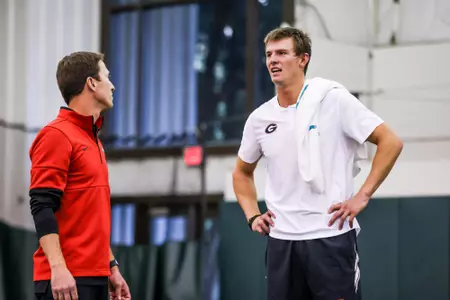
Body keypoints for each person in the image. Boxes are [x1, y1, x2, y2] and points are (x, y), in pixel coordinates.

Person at [232, 27, 403, 300]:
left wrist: (363, 195)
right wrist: (252, 215)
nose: (273, 60)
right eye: (268, 55)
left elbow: (390, 142)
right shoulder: (259, 119)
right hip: (282, 242)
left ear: (303, 59)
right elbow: (241, 173)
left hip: (330, 237)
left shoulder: (333, 100)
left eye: (282, 53)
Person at [29, 51, 131, 300]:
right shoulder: (56, 135)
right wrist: (58, 268)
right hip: (66, 281)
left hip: (95, 278)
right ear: (91, 83)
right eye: (107, 77)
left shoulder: (93, 140)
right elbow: (41, 205)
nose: (113, 85)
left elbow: (91, 216)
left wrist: (112, 267)